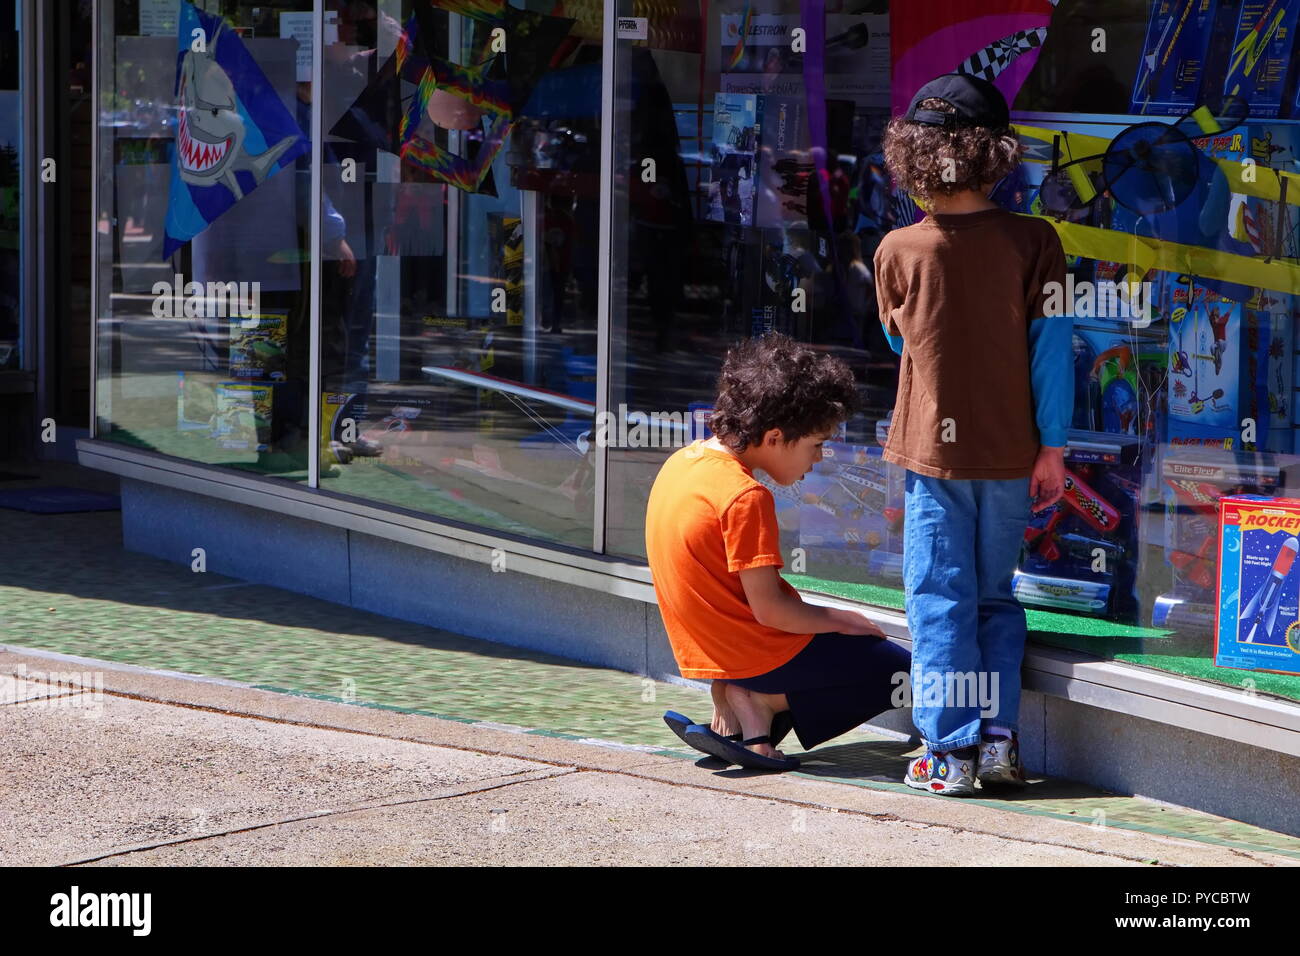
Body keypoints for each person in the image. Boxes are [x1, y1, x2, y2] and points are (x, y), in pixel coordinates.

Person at [875, 74, 1071, 795]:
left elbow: (906, 350)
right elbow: (1052, 350)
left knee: (938, 598)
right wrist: (1052, 445)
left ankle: (947, 750)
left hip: (934, 455)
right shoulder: (1036, 241)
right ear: (997, 156)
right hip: (1015, 454)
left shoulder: (898, 250)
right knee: (996, 596)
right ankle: (997, 741)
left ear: (912, 158)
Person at [645, 334, 912, 771]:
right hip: (756, 652)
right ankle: (762, 701)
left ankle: (744, 716)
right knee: (901, 675)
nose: (820, 458)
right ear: (774, 436)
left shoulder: (683, 462)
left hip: (717, 652)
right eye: (815, 444)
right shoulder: (744, 496)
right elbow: (769, 611)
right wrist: (843, 619)